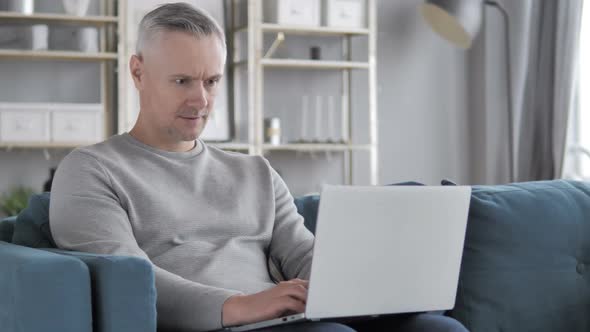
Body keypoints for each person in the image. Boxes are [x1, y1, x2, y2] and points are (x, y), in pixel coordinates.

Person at [49, 3, 468, 332]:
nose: (201, 100)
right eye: (182, 81)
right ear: (138, 72)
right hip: (220, 323)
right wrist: (240, 306)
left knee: (437, 327)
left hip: (282, 318)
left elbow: (302, 252)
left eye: (211, 81)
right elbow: (126, 279)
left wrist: (369, 290)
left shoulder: (255, 172)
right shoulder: (90, 170)